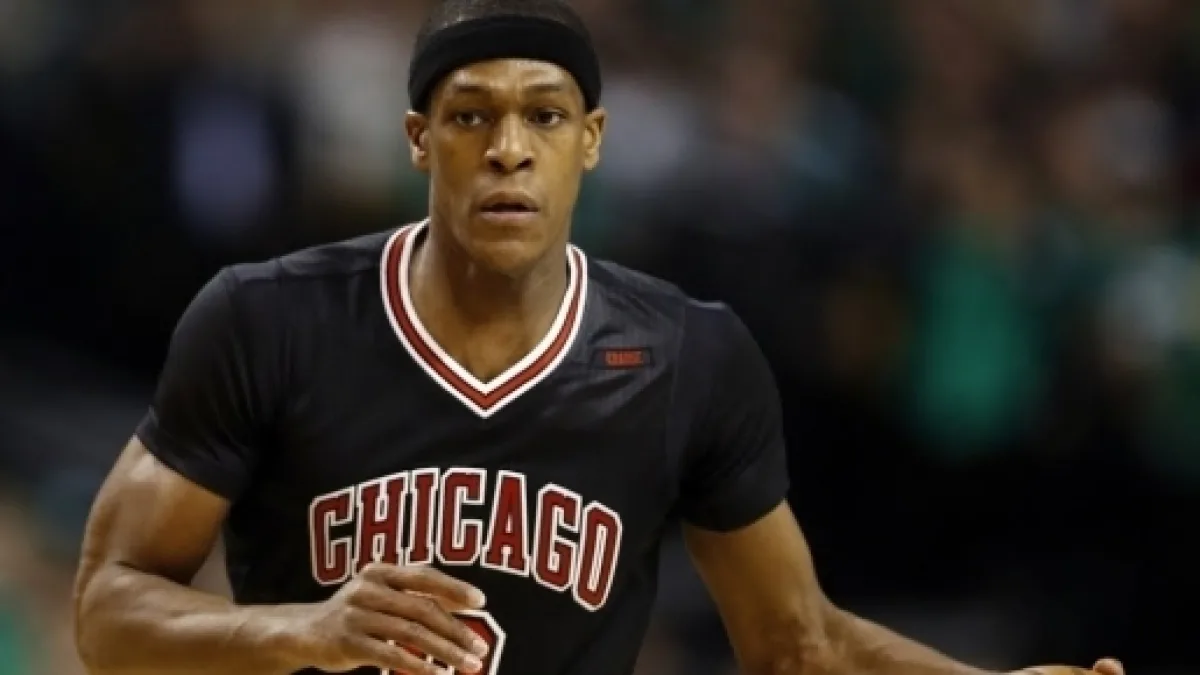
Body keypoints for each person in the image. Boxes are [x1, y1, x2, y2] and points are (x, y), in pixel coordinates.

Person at [71, 1, 1125, 674]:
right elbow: (106, 611)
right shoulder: (267, 318)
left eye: (544, 115)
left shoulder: (687, 353)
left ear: (593, 142)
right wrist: (300, 629)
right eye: (471, 116)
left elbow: (795, 642)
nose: (509, 149)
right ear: (418, 141)